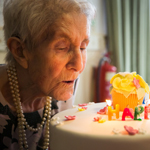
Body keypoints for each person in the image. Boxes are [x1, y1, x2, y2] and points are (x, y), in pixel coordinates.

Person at [0, 0, 95, 149]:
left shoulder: (64, 81)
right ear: (20, 51)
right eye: (62, 48)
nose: (79, 65)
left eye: (83, 47)